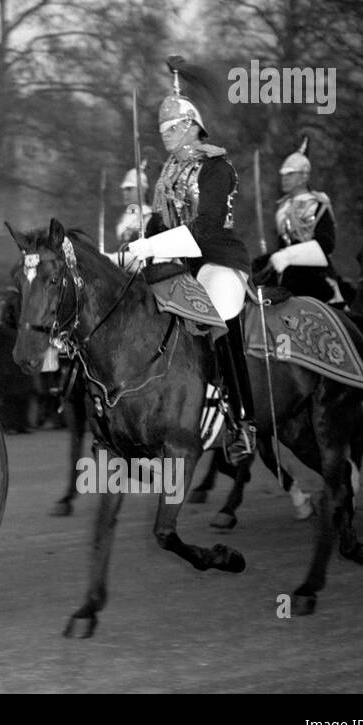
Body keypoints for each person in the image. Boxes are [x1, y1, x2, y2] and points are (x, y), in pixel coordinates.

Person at [121, 55, 256, 463]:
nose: (165, 134)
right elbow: (162, 226)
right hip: (181, 264)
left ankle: (240, 418)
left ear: (193, 126)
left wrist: (152, 247)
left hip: (219, 260)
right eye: (162, 128)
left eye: (173, 127)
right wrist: (138, 250)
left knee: (216, 313)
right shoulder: (168, 174)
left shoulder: (217, 168)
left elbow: (207, 228)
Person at [257, 137, 343, 303]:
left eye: (290, 174)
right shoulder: (282, 208)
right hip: (286, 275)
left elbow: (326, 244)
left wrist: (289, 255)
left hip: (315, 275)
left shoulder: (318, 204)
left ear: (304, 177)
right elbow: (282, 244)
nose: (285, 179)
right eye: (283, 175)